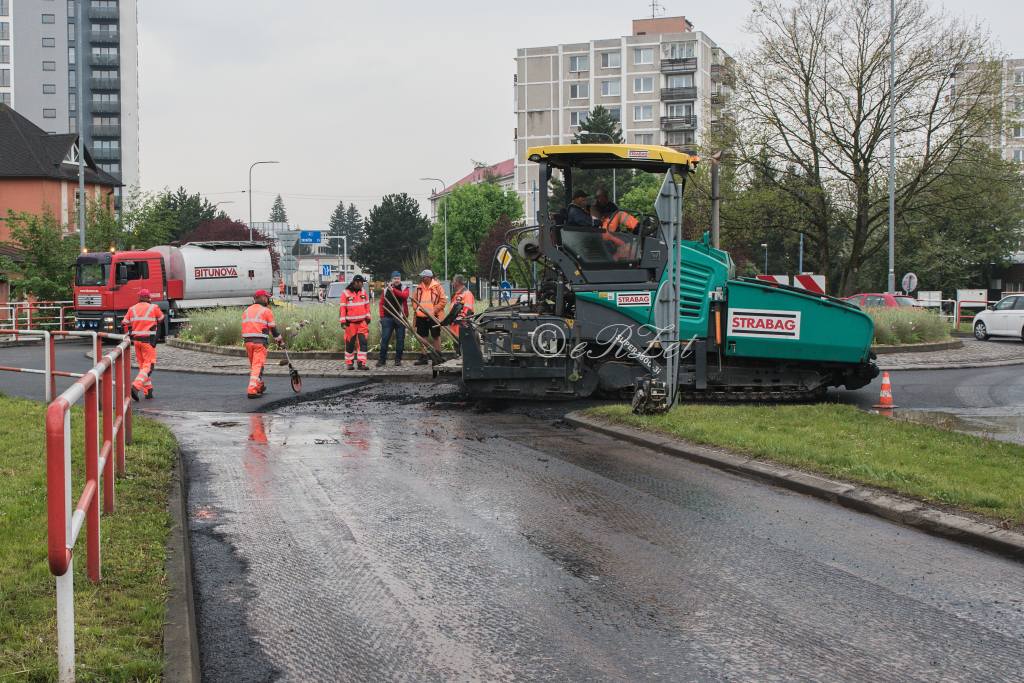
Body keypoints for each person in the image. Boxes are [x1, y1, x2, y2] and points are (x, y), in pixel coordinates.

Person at [121, 289, 165, 401]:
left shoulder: (132, 309)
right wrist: (157, 336)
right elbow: (161, 319)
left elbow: (124, 323)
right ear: (148, 297)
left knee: (143, 367)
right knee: (149, 366)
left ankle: (148, 391)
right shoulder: (153, 307)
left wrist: (131, 332)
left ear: (139, 298)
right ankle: (135, 387)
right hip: (148, 341)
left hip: (136, 341)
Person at [241, 289, 283, 399]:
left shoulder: (246, 311)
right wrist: (280, 341)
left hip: (248, 343)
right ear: (263, 298)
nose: (268, 299)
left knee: (255, 366)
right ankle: (252, 389)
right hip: (260, 343)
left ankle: (259, 385)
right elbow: (273, 329)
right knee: (257, 366)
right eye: (267, 297)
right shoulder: (266, 311)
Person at [411, 269, 446, 365]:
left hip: (434, 316)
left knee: (436, 335)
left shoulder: (437, 287)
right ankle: (423, 357)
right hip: (421, 316)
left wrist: (433, 311)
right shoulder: (419, 287)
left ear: (429, 277)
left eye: (424, 276)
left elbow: (443, 301)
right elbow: (414, 300)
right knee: (422, 336)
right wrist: (416, 309)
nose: (422, 278)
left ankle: (438, 355)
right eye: (421, 276)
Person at [340, 274, 371, 370]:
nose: (359, 284)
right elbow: (342, 308)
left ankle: (361, 363)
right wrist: (343, 321)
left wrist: (368, 318)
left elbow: (367, 306)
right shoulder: (346, 293)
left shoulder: (364, 292)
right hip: (350, 323)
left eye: (361, 282)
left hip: (362, 323)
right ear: (353, 282)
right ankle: (349, 363)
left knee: (363, 343)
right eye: (357, 282)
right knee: (350, 344)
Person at [377, 271, 409, 367]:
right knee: (385, 339)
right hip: (387, 318)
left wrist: (393, 290)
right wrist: (382, 317)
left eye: (398, 278)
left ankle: (398, 360)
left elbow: (404, 296)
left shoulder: (404, 288)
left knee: (400, 340)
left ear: (400, 279)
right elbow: (381, 303)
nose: (396, 280)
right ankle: (382, 360)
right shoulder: (386, 290)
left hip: (400, 318)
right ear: (392, 279)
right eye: (395, 279)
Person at [441, 275, 475, 355]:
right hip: (455, 327)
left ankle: (463, 363)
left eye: (453, 281)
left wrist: (461, 319)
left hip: (462, 326)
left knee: (463, 348)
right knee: (457, 347)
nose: (452, 283)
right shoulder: (457, 294)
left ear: (457, 282)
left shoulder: (467, 294)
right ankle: (459, 359)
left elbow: (468, 309)